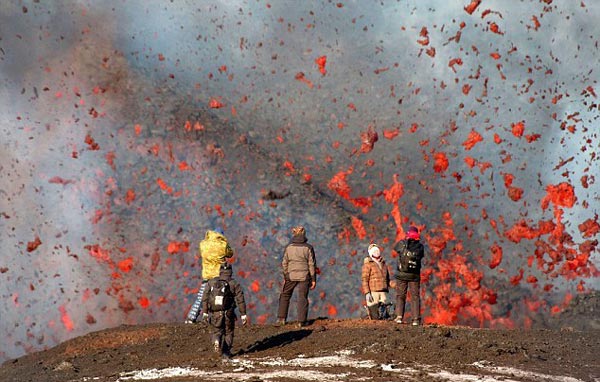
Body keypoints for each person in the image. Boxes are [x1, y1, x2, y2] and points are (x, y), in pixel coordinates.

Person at [185, 228, 234, 323]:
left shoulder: (203, 244)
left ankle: (191, 318)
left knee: (201, 298)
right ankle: (222, 320)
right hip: (220, 278)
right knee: (223, 298)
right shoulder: (223, 245)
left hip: (207, 277)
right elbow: (230, 254)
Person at [201, 262, 247, 359]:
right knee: (228, 332)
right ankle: (226, 353)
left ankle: (216, 341)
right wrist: (243, 314)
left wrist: (205, 312)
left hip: (215, 313)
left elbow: (205, 298)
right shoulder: (234, 283)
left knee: (216, 331)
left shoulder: (211, 282)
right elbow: (240, 300)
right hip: (228, 314)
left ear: (220, 271)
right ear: (230, 272)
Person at [276, 226, 317, 328]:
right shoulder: (308, 248)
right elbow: (311, 264)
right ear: (304, 234)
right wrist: (313, 279)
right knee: (302, 297)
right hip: (304, 276)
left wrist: (286, 275)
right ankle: (301, 321)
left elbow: (284, 263)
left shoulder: (289, 248)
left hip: (291, 275)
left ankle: (281, 318)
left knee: (285, 295)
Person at [393, 226, 425, 325]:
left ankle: (399, 317)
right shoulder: (420, 247)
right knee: (415, 296)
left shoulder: (402, 244)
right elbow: (421, 256)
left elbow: (395, 248)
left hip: (402, 274)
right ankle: (415, 319)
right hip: (414, 276)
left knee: (401, 296)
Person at [362, 243, 391, 320]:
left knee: (384, 314)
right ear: (371, 253)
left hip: (383, 292)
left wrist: (396, 285)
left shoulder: (383, 263)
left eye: (377, 251)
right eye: (374, 251)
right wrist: (367, 293)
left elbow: (387, 279)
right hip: (373, 292)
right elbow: (365, 280)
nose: (376, 252)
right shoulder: (368, 264)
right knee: (374, 315)